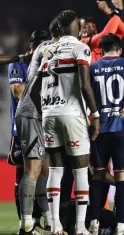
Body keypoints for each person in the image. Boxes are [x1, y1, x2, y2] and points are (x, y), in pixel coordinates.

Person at [30, 10, 100, 235]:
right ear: (75, 28)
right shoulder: (80, 48)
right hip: (73, 115)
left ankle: (56, 225)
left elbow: (33, 91)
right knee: (80, 172)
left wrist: (45, 110)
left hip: (50, 114)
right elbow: (84, 85)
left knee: (55, 170)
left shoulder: (48, 51)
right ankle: (80, 227)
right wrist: (95, 115)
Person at [88, 33, 124, 235]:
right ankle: (121, 226)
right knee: (122, 177)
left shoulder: (92, 67)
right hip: (122, 128)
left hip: (99, 129)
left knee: (97, 175)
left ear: (101, 50)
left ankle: (94, 223)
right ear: (119, 49)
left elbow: (84, 92)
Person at [15, 18, 62, 234]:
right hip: (32, 114)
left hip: (41, 116)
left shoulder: (51, 57)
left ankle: (51, 222)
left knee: (46, 170)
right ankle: (26, 224)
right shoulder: (44, 52)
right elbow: (26, 91)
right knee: (32, 170)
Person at [8, 29, 51, 233]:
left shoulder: (48, 66)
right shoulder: (19, 65)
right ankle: (24, 223)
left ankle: (40, 222)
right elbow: (18, 91)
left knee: (43, 174)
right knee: (23, 174)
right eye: (37, 44)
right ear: (31, 45)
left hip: (43, 126)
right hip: (22, 128)